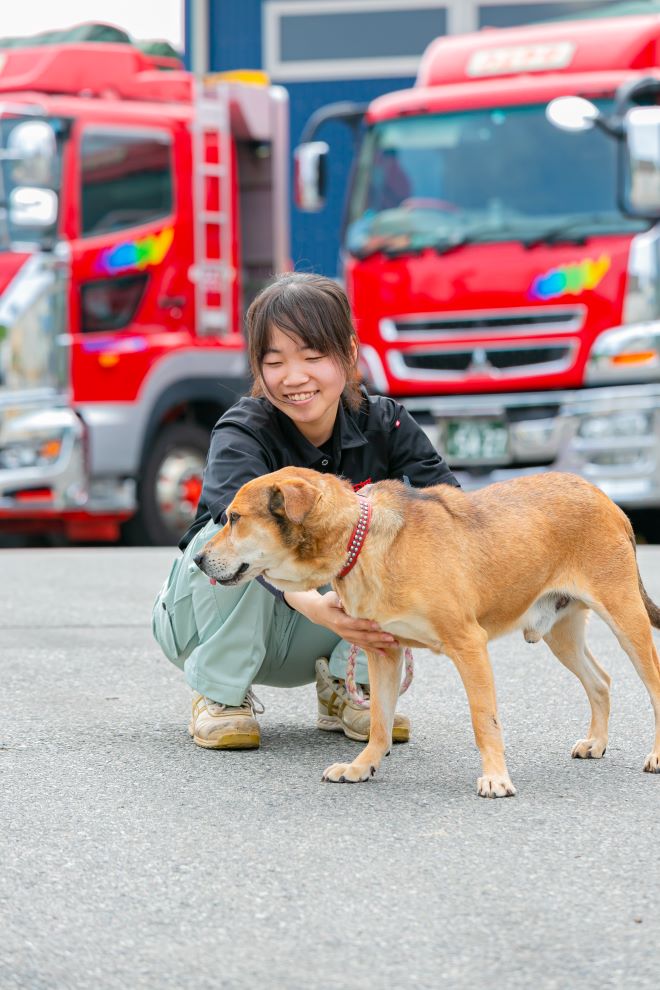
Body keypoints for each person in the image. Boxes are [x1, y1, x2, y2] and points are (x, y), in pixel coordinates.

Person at [152, 272, 459, 750]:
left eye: (313, 357)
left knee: (389, 532)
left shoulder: (387, 424)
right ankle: (220, 695)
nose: (294, 378)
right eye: (275, 362)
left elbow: (450, 514)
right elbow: (225, 529)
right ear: (258, 368)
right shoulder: (243, 431)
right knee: (243, 535)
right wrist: (315, 603)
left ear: (350, 354)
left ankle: (348, 685)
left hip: (314, 637)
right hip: (207, 625)